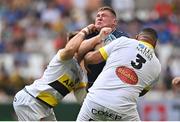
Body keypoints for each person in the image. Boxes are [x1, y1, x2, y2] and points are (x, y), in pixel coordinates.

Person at [13, 24, 112, 121]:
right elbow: (70, 49)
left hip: (45, 107)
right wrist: (85, 31)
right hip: (31, 100)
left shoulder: (80, 74)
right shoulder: (64, 58)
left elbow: (83, 100)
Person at [76, 28, 161, 121]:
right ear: (155, 44)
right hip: (123, 111)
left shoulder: (123, 41)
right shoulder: (157, 67)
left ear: (137, 37)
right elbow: (142, 92)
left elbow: (92, 59)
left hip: (96, 100)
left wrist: (86, 59)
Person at [78, 6, 129, 89]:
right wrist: (99, 37)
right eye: (98, 16)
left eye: (104, 16)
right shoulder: (91, 34)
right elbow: (79, 50)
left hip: (113, 85)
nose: (100, 18)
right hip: (92, 85)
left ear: (114, 22)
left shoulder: (122, 38)